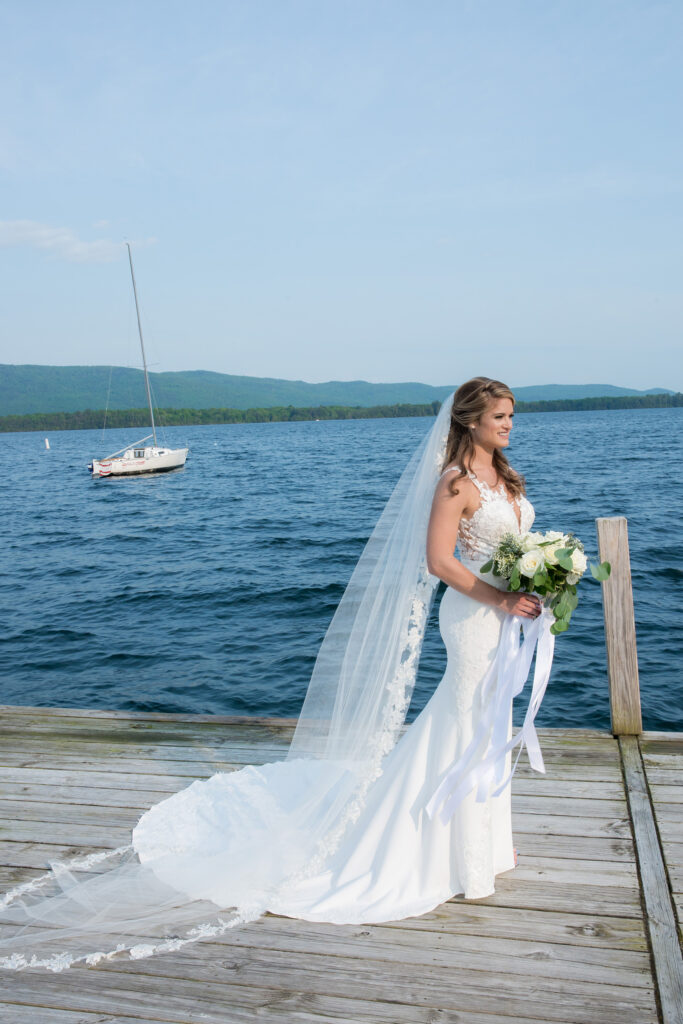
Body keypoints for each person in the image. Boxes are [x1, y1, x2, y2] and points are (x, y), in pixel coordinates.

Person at [0, 376, 541, 972]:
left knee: (493, 724)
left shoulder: (504, 478)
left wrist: (538, 579)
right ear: (469, 421)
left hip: (508, 617)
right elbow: (438, 561)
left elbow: (512, 546)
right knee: (464, 721)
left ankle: (485, 844)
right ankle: (443, 852)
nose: (508, 425)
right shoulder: (455, 483)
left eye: (511, 416)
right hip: (474, 617)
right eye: (499, 416)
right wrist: (499, 599)